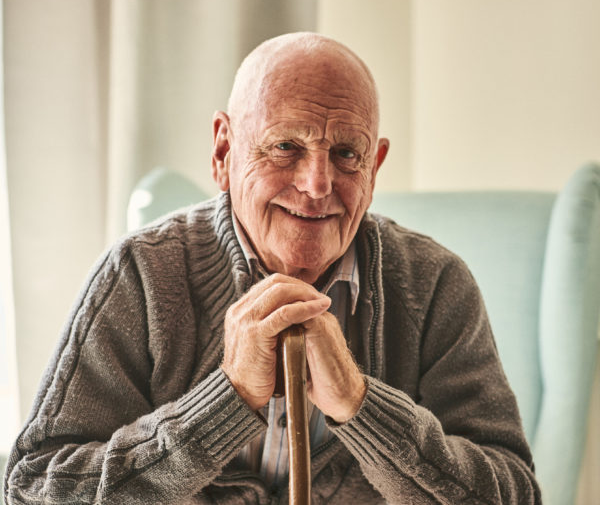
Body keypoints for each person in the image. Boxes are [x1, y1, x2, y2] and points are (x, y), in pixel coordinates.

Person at [3, 32, 541, 504]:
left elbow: (515, 493)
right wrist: (225, 400)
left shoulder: (437, 285)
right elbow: (31, 489)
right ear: (223, 151)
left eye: (347, 155)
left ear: (375, 167)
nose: (317, 185)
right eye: (286, 146)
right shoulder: (140, 275)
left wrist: (361, 407)